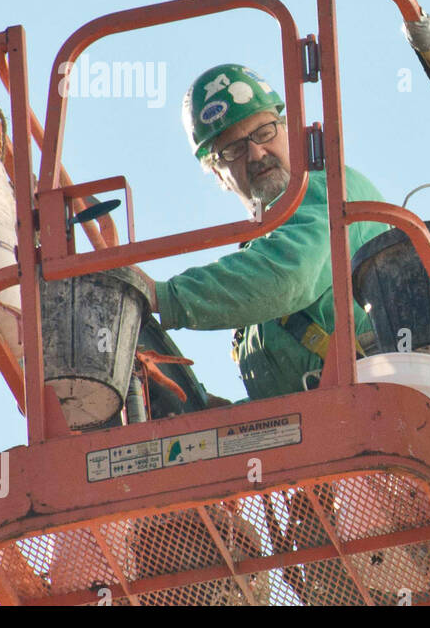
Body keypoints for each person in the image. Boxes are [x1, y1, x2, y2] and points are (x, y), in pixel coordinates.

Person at [133, 63, 388, 403]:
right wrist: (207, 411)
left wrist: (161, 296)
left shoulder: (329, 189)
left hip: (375, 401)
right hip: (329, 428)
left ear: (290, 133)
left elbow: (291, 273)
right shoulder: (253, 283)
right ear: (220, 176)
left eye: (265, 132)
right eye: (233, 150)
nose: (256, 153)